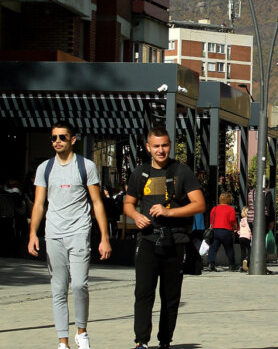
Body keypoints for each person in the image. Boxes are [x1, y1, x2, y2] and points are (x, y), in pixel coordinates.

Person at [28, 121, 111, 349]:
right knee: (58, 287)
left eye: (62, 137)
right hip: (53, 233)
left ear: (73, 140)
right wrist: (33, 234)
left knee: (79, 285)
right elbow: (38, 204)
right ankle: (62, 341)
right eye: (54, 137)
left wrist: (104, 237)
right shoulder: (45, 168)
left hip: (79, 232)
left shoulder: (86, 166)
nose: (57, 141)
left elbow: (97, 203)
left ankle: (81, 332)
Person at [124, 126, 206, 349]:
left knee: (170, 297)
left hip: (175, 241)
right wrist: (136, 216)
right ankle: (141, 342)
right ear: (148, 147)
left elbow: (199, 204)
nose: (161, 150)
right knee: (143, 293)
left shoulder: (182, 171)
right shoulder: (139, 173)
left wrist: (169, 212)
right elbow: (128, 203)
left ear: (170, 145)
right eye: (156, 146)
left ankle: (165, 342)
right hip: (148, 240)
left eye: (165, 145)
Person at [207, 192, 238, 272]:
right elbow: (232, 220)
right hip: (226, 231)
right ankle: (232, 265)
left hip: (215, 230)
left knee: (213, 249)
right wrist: (236, 227)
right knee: (229, 249)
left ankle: (211, 264)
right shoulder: (230, 209)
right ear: (229, 200)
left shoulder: (215, 208)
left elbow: (211, 221)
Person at [238, 207, 252, 272]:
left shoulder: (241, 220)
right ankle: (247, 261)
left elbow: (240, 230)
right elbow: (249, 229)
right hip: (247, 237)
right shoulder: (249, 220)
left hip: (241, 237)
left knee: (242, 252)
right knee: (250, 251)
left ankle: (241, 266)